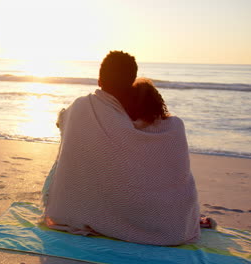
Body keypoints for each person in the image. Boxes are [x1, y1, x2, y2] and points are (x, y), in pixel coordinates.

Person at [42, 51, 201, 246]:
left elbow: (62, 121)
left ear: (99, 80)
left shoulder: (80, 107)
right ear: (132, 80)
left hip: (76, 208)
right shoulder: (172, 127)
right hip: (174, 225)